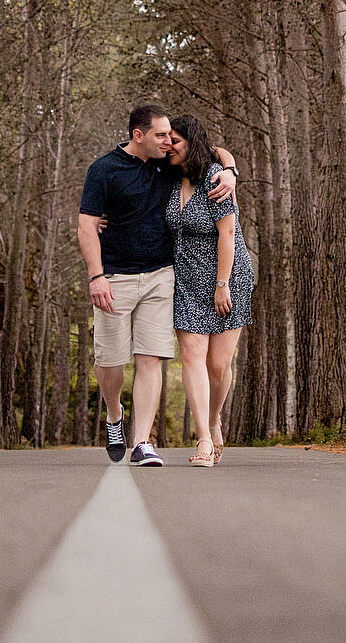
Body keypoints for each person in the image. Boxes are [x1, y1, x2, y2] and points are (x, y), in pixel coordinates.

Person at [77, 103, 237, 466]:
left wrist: (229, 171)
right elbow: (86, 226)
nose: (168, 141)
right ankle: (114, 414)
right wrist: (96, 276)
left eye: (171, 136)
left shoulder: (169, 163)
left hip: (162, 274)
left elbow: (212, 150)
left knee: (151, 358)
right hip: (114, 277)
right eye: (161, 135)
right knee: (111, 360)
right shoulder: (103, 170)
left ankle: (141, 442)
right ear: (139, 135)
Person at [166, 114, 254, 468]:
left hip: (228, 275)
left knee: (218, 364)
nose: (169, 146)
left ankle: (215, 418)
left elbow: (227, 234)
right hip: (185, 280)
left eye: (175, 140)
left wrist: (222, 284)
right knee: (191, 354)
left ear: (192, 143)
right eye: (167, 140)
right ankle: (203, 438)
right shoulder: (166, 179)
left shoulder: (215, 179)